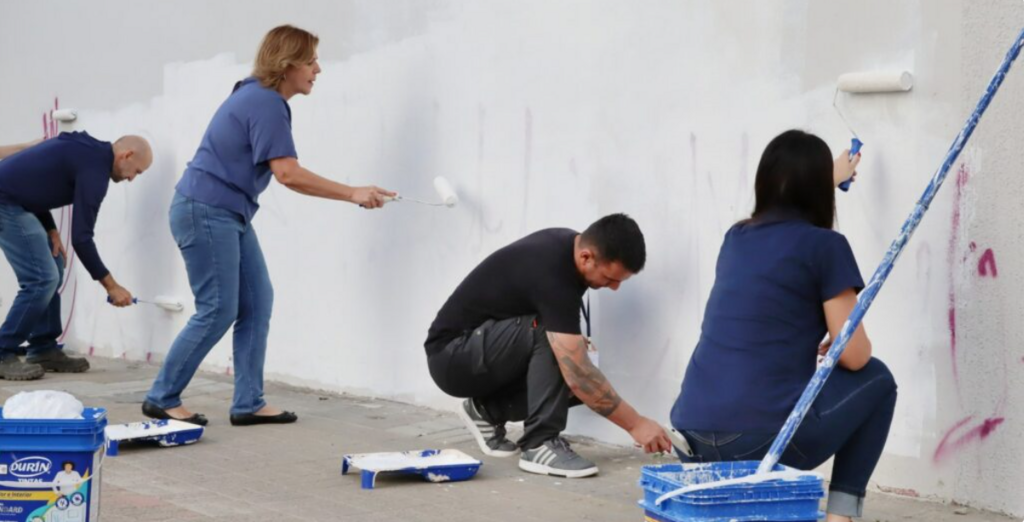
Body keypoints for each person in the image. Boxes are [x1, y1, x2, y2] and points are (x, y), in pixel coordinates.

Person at [143, 25, 395, 427]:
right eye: (311, 61)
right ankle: (162, 397)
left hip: (227, 212)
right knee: (218, 309)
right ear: (287, 63)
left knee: (257, 302)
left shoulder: (257, 97)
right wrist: (352, 193)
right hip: (207, 210)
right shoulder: (265, 102)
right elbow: (288, 174)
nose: (318, 69)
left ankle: (248, 402)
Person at [670, 130, 897, 521]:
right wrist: (837, 342)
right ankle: (841, 516)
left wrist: (825, 177)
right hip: (759, 443)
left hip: (691, 436)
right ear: (818, 189)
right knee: (878, 380)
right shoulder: (826, 246)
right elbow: (856, 356)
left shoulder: (736, 237)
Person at [425, 214, 673, 478]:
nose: (614, 288)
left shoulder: (568, 249)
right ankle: (539, 444)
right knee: (567, 355)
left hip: (480, 351)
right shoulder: (553, 272)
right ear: (586, 257)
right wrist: (636, 424)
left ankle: (486, 411)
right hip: (451, 357)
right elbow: (578, 374)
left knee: (577, 359)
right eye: (610, 278)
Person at [0, 132, 150, 380]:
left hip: (14, 198)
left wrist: (51, 229)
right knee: (42, 278)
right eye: (137, 171)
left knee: (54, 266)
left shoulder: (87, 150)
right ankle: (3, 351)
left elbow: (31, 184)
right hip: (5, 201)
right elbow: (81, 238)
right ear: (127, 155)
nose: (132, 178)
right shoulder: (95, 172)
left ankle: (43, 348)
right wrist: (111, 286)